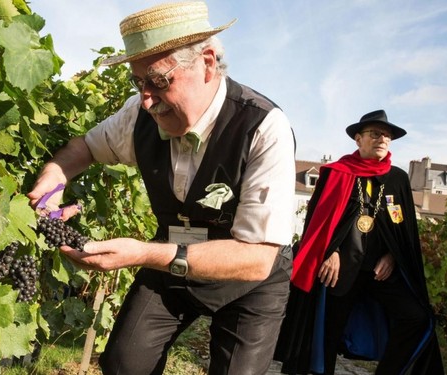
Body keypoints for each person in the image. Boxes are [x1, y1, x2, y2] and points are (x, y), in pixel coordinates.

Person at [27, 2, 296, 374]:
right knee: (123, 364)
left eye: (158, 81)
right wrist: (54, 176)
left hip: (249, 282)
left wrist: (141, 253)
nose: (147, 99)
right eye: (138, 83)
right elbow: (85, 147)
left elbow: (258, 259)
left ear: (207, 63)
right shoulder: (138, 114)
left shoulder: (263, 127)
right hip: (173, 264)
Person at [273, 110, 444, 374]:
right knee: (326, 335)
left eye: (387, 136)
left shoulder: (397, 179)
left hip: (380, 273)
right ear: (358, 139)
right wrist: (329, 251)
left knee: (417, 317)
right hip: (340, 271)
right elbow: (318, 223)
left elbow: (402, 229)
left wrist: (392, 256)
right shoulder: (337, 173)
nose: (382, 139)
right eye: (375, 134)